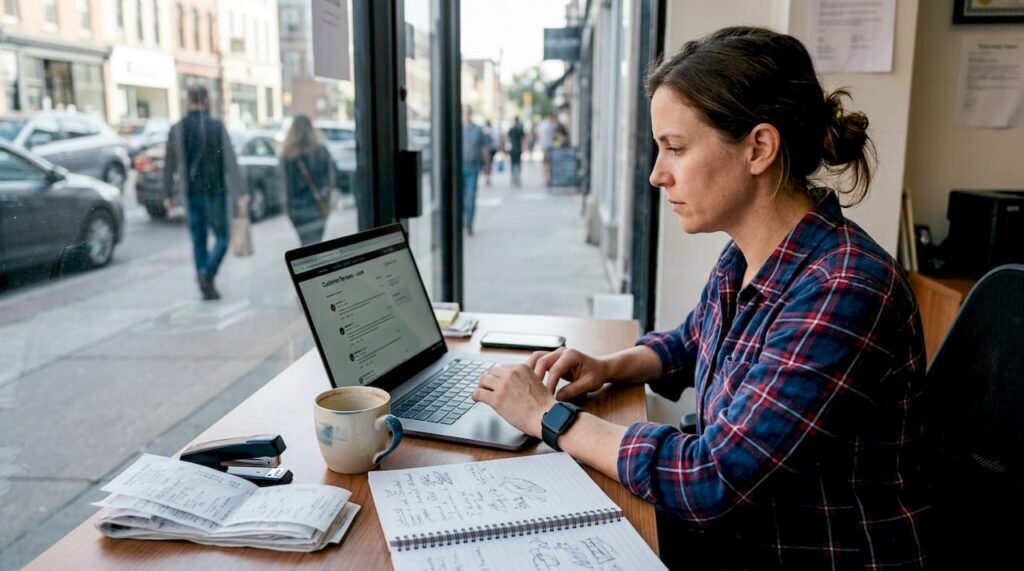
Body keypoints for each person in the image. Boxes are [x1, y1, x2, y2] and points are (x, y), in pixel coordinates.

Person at [472, 27, 930, 569]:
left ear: (758, 147)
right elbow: (692, 342)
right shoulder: (747, 254)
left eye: (676, 148)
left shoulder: (844, 290)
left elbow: (710, 479)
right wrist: (609, 366)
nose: (656, 174)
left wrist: (548, 416)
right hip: (741, 533)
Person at [163, 85, 242, 301]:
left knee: (199, 240)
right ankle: (207, 274)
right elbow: (231, 162)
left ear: (188, 100)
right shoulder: (216, 126)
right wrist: (240, 191)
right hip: (216, 192)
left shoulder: (178, 128)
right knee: (223, 238)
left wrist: (168, 193)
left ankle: (204, 281)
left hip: (190, 194)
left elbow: (169, 164)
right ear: (206, 100)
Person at [282, 115, 337, 246]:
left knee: (305, 245)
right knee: (316, 245)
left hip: (297, 209)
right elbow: (332, 178)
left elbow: (285, 185)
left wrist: (287, 209)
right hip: (318, 206)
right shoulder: (321, 151)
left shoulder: (287, 154)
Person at [461, 106, 489, 236]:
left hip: (472, 167)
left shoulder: (477, 130)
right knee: (459, 198)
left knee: (470, 196)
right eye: (463, 112)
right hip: (459, 168)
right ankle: (460, 222)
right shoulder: (457, 128)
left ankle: (469, 224)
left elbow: (484, 148)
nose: (466, 115)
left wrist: (487, 165)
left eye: (467, 112)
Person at [536, 112, 557, 186]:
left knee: (545, 163)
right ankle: (546, 179)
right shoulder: (549, 125)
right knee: (547, 163)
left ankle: (546, 178)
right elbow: (554, 136)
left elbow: (538, 132)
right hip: (547, 146)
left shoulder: (543, 124)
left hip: (544, 145)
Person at [507, 117, 525, 188]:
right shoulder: (518, 129)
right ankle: (516, 178)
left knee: (514, 163)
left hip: (515, 149)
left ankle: (515, 178)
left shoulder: (514, 129)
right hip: (516, 149)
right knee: (517, 163)